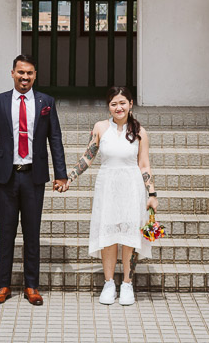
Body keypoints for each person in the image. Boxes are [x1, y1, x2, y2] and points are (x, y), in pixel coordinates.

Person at [0, 54, 68, 306]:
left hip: (33, 177)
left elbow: (55, 139)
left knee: (32, 233)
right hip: (6, 177)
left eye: (29, 73)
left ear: (35, 75)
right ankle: (3, 285)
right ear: (12, 73)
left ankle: (32, 286)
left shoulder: (46, 102)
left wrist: (61, 174)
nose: (25, 77)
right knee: (6, 232)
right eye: (21, 73)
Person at [68, 86, 158, 306]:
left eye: (122, 103)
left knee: (129, 236)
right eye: (113, 104)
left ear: (130, 104)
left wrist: (152, 193)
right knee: (108, 235)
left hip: (132, 186)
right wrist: (69, 177)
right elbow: (88, 157)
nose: (118, 107)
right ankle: (109, 283)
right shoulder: (100, 128)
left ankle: (127, 283)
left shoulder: (139, 132)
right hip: (107, 186)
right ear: (109, 106)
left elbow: (144, 164)